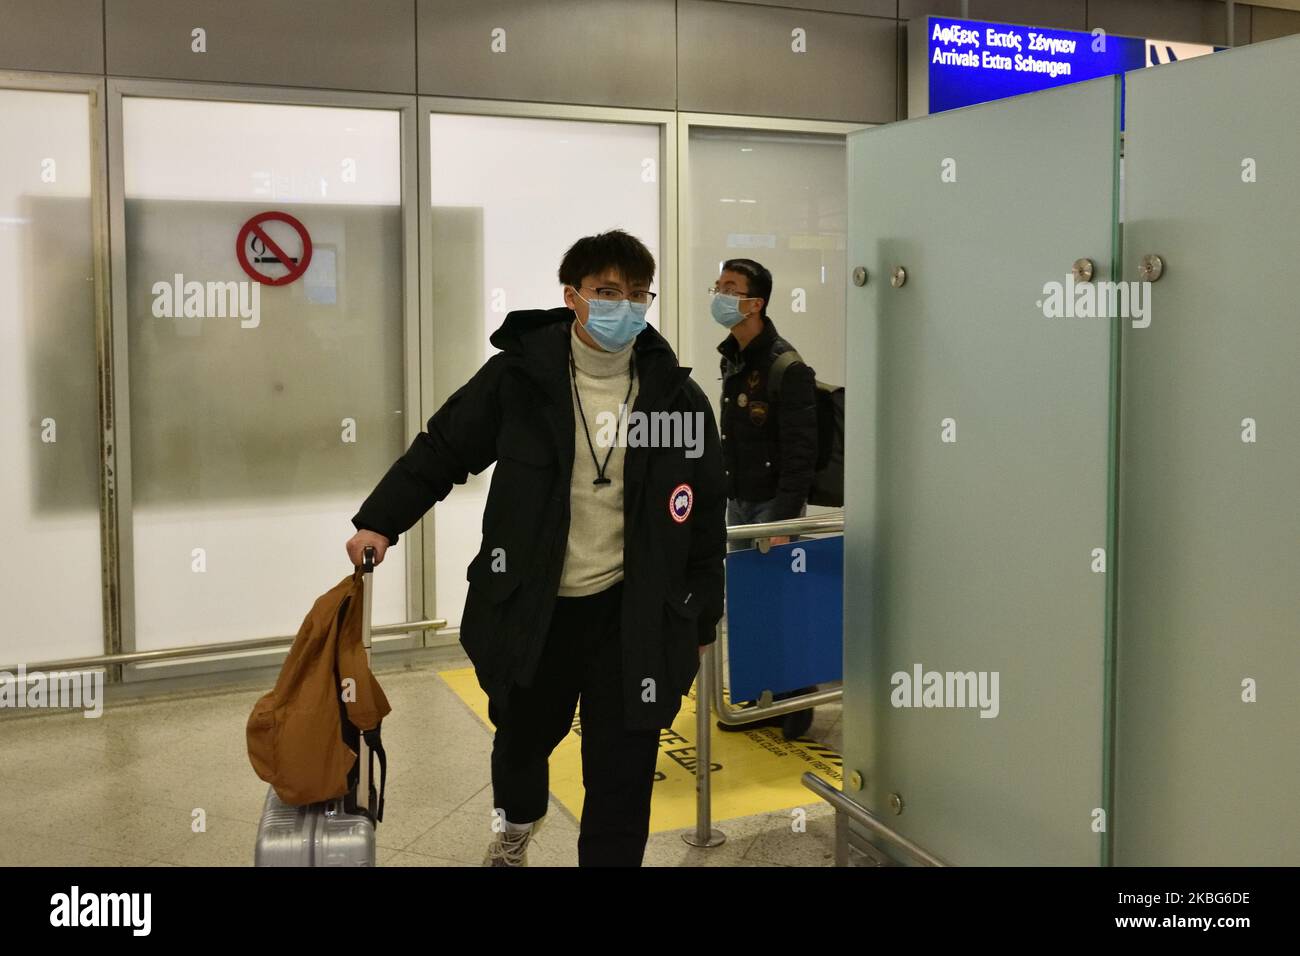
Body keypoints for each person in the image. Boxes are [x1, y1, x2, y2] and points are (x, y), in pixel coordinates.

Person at [345, 230, 725, 867]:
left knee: (624, 765)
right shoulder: (521, 378)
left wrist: (701, 613)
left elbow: (705, 513)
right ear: (573, 296)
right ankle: (517, 824)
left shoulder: (674, 398)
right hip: (534, 606)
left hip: (630, 615)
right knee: (521, 740)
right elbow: (445, 448)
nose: (624, 306)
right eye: (607, 292)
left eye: (637, 294)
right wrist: (381, 521)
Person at [710, 258, 818, 741]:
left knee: (781, 604)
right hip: (738, 501)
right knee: (750, 605)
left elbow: (801, 455)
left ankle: (798, 700)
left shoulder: (786, 367)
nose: (719, 294)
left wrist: (781, 518)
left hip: (772, 507)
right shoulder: (732, 358)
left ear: (756, 303)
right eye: (718, 285)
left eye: (730, 288)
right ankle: (759, 695)